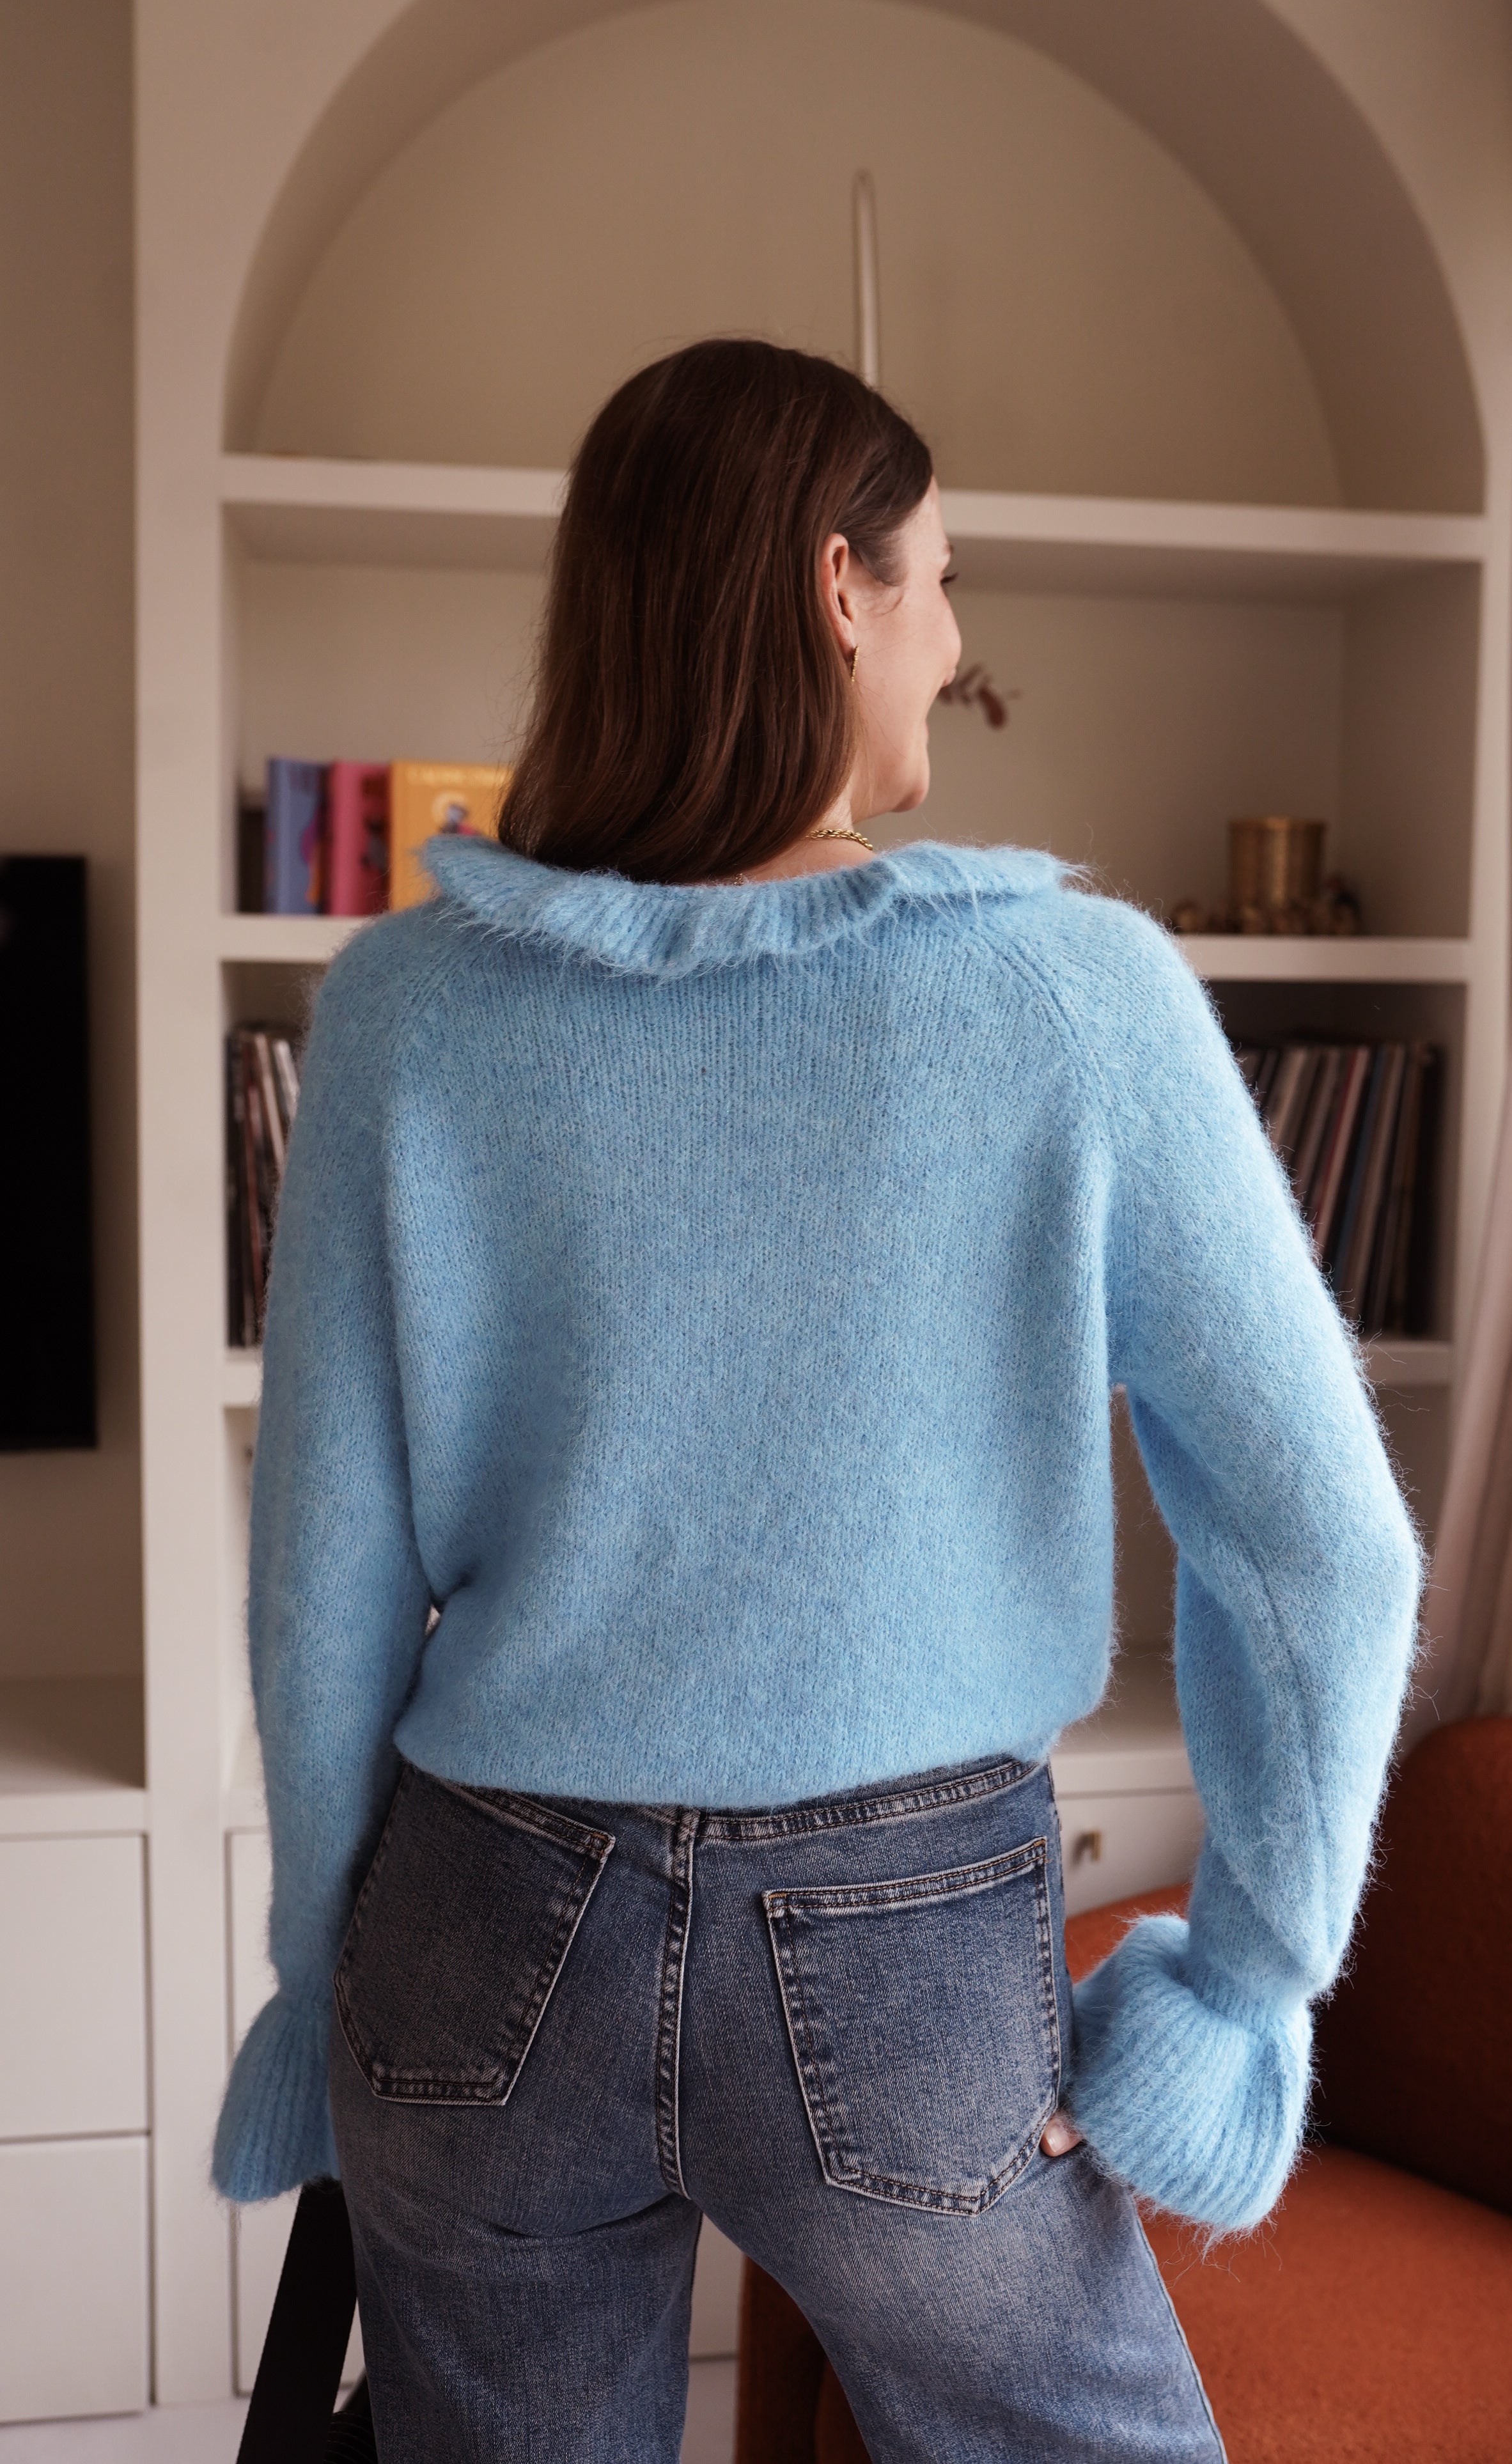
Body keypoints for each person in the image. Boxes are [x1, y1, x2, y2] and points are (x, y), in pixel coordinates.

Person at [215, 339, 1421, 2462]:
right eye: (941, 583)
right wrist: (1242, 1988)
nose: (956, 646)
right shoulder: (1075, 995)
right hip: (908, 1953)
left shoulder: (402, 1013)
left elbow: (326, 1578)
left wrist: (328, 1979)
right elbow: (1318, 1540)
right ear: (834, 589)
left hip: (482, 1929)